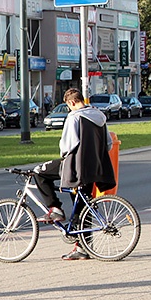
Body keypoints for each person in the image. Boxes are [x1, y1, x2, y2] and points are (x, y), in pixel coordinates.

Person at [32, 88, 116, 260]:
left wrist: (64, 158)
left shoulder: (74, 117)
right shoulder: (99, 116)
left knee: (39, 172)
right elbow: (108, 144)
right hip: (94, 168)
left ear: (71, 103)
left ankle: (55, 209)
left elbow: (68, 145)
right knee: (82, 206)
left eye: (68, 106)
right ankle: (83, 248)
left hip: (76, 165)